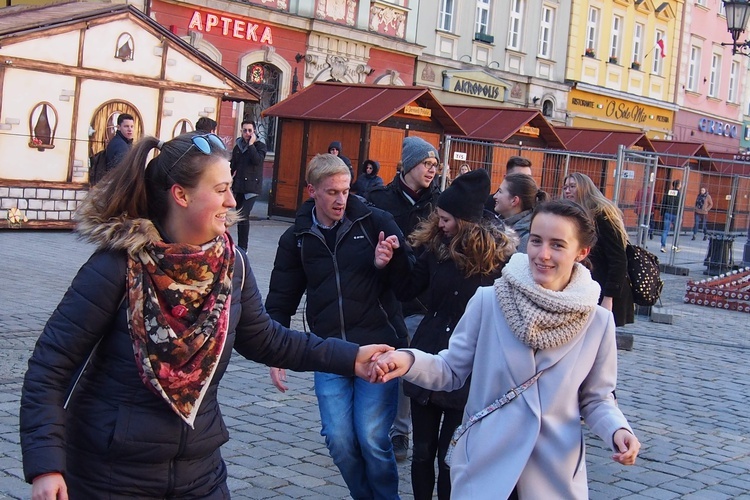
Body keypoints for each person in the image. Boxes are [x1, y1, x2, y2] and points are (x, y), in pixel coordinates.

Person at [19, 133, 393, 499]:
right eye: (220, 190)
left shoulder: (233, 266)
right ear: (180, 195)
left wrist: (351, 357)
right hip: (112, 475)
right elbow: (50, 367)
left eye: (230, 188)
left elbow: (268, 340)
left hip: (199, 472)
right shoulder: (118, 267)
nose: (232, 201)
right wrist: (46, 466)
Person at [373, 199, 642, 499]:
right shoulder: (489, 301)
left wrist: (618, 430)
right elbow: (450, 369)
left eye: (557, 245)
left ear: (582, 252)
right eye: (537, 241)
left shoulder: (597, 323)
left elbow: (596, 398)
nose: (543, 254)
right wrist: (407, 360)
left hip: (552, 473)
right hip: (486, 462)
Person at [265, 153, 412, 500]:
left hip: (379, 348)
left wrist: (388, 262)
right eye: (332, 192)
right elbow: (281, 297)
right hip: (330, 352)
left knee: (373, 438)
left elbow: (409, 284)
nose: (341, 199)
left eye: (345, 191)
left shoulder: (376, 221)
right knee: (338, 439)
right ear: (311, 191)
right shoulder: (298, 237)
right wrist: (274, 352)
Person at [395, 169, 515, 499]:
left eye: (447, 219)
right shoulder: (436, 248)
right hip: (429, 356)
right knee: (421, 452)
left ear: (466, 220)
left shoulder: (499, 261)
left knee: (451, 458)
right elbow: (407, 288)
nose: (441, 224)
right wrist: (391, 259)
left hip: (470, 368)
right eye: (439, 218)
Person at [367, 136, 442, 461]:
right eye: (426, 163)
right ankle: (374, 425)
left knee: (408, 362)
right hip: (382, 294)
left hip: (420, 300)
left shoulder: (439, 205)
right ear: (410, 164)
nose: (431, 170)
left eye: (435, 165)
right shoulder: (380, 200)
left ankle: (401, 432)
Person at [563, 173, 634, 327]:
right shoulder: (576, 214)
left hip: (605, 288)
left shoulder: (602, 214)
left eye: (572, 186)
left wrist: (609, 297)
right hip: (587, 288)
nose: (567, 191)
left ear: (584, 188)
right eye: (565, 187)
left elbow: (618, 259)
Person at [231, 120, 268, 251]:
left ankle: (243, 248)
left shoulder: (260, 146)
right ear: (241, 131)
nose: (247, 133)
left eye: (249, 130)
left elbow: (257, 160)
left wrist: (251, 145)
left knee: (243, 215)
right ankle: (241, 246)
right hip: (239, 187)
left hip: (252, 188)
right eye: (244, 130)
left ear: (254, 132)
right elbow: (232, 166)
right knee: (240, 217)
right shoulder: (238, 147)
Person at [492, 173, 548, 252]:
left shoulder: (526, 238)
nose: (495, 196)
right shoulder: (499, 225)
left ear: (514, 200)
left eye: (500, 192)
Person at [659, 178, 682, 253]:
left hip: (667, 212)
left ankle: (663, 246)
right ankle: (675, 246)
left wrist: (662, 213)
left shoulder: (668, 192)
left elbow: (663, 202)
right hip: (676, 213)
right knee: (676, 231)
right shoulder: (679, 194)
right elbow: (680, 205)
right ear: (678, 186)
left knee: (665, 230)